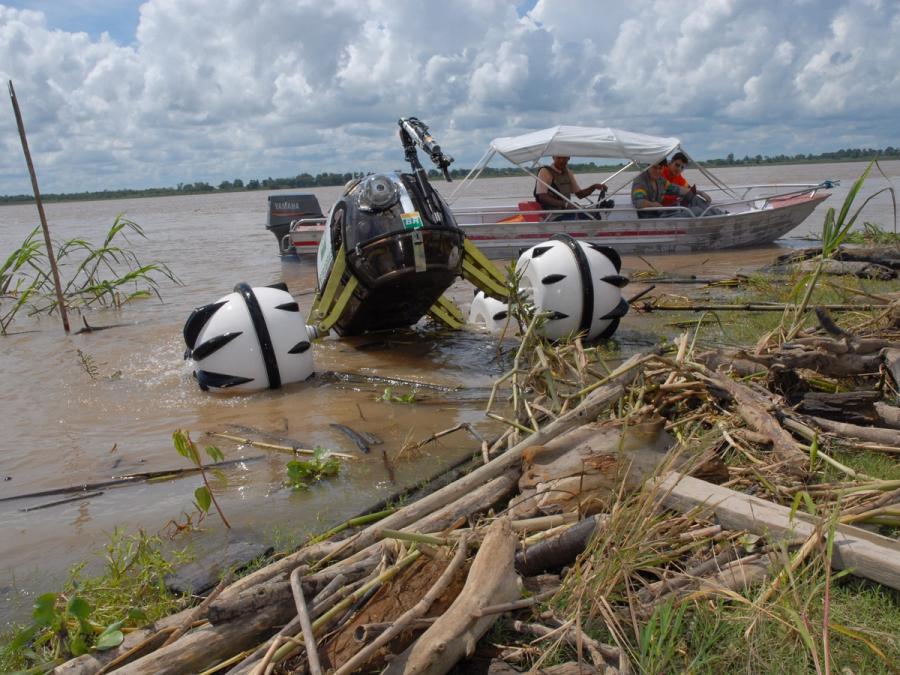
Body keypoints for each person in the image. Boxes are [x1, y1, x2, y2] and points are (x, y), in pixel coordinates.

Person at [631, 158, 722, 218]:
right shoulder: (640, 181)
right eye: (655, 168)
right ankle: (714, 216)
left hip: (662, 212)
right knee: (697, 211)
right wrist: (652, 204)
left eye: (660, 168)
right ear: (648, 166)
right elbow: (639, 202)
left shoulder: (660, 180)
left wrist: (699, 192)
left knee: (693, 197)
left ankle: (719, 214)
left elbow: (675, 189)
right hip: (653, 217)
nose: (658, 171)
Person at [534, 155, 607, 221]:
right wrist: (565, 204)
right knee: (584, 216)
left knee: (594, 213)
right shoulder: (545, 171)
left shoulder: (568, 172)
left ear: (569, 158)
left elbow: (580, 194)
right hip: (552, 214)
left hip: (567, 211)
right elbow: (542, 196)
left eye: (564, 158)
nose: (562, 160)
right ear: (553, 157)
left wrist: (593, 187)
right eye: (559, 158)